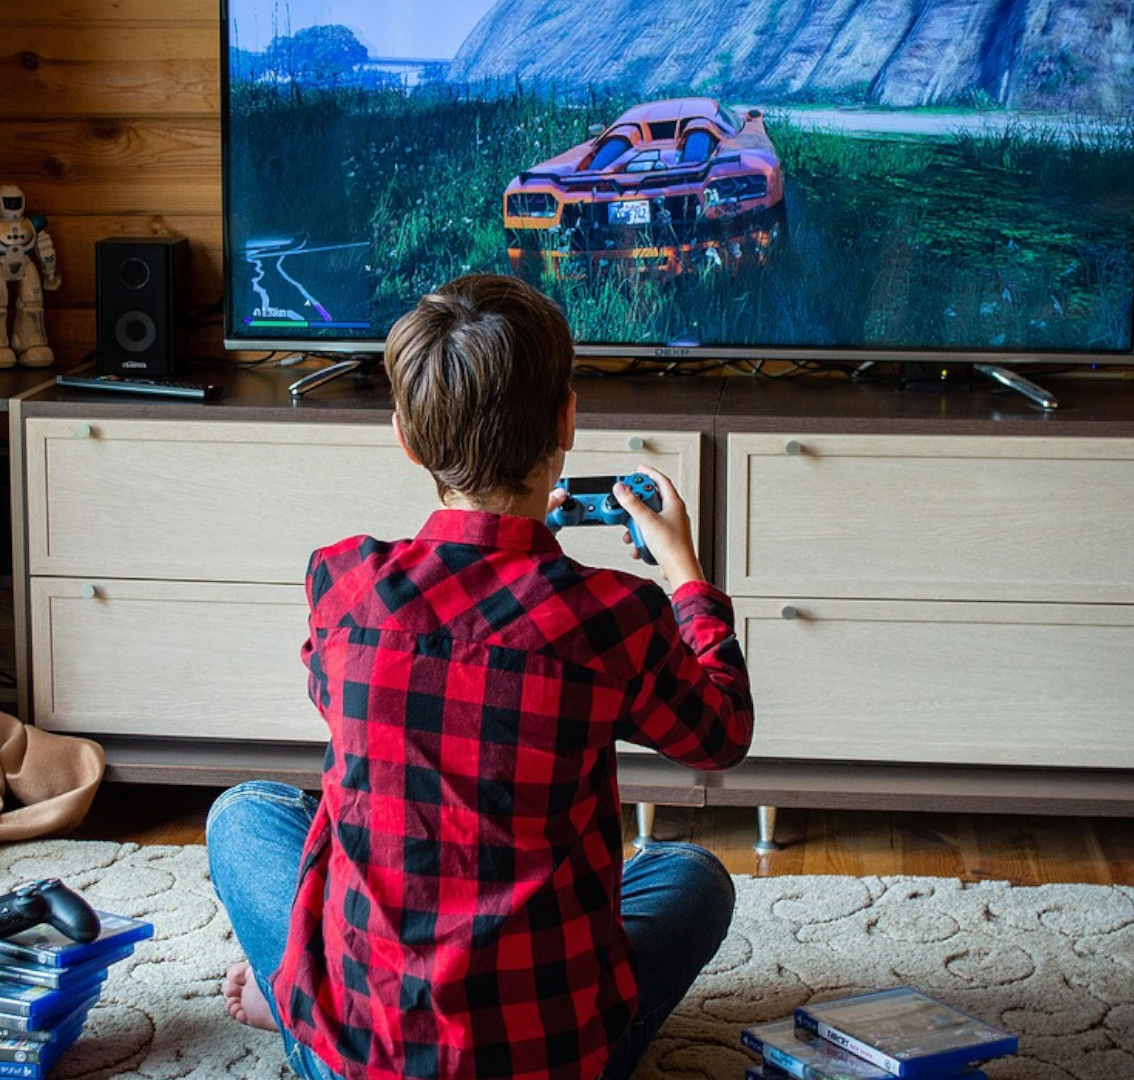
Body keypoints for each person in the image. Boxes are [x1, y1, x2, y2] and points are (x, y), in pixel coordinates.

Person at [205, 274, 754, 1080]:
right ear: (566, 420)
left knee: (242, 814)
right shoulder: (612, 615)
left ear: (407, 438)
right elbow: (721, 735)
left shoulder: (344, 583)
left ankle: (296, 1003)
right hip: (549, 1061)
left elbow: (334, 690)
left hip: (363, 1060)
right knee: (695, 878)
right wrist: (684, 573)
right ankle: (295, 1000)